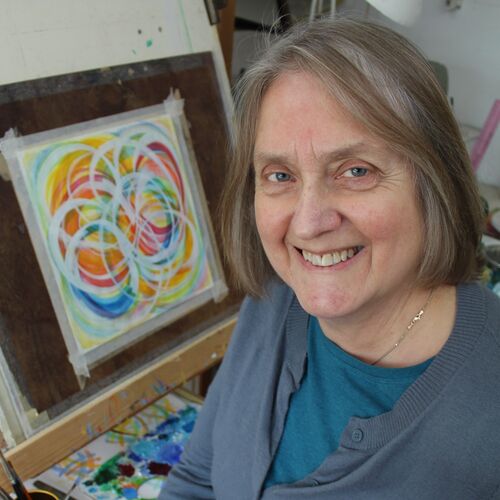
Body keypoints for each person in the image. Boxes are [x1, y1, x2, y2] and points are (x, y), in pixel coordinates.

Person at [160, 17, 500, 499]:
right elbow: (197, 480)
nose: (307, 224)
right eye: (280, 176)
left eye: (356, 171)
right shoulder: (275, 298)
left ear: (435, 182)